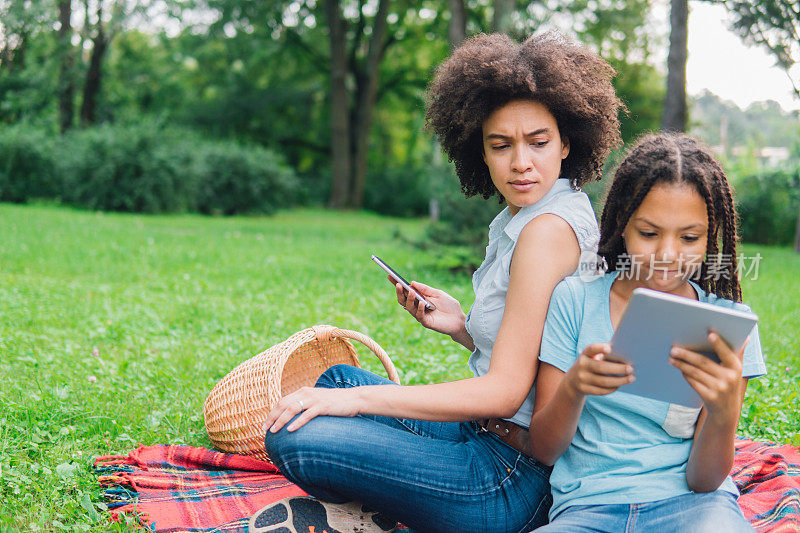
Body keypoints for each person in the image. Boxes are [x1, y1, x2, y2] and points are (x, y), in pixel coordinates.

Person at [254, 32, 623, 533]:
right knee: (334, 383)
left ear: (567, 143)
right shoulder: (536, 213)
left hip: (511, 478)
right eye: (501, 145)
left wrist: (358, 403)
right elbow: (538, 350)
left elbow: (505, 393)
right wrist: (461, 327)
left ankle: (370, 511)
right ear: (480, 152)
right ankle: (383, 500)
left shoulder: (546, 232)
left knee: (298, 434)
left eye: (538, 142)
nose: (521, 162)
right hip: (486, 435)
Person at [528, 133, 767, 533]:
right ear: (622, 225)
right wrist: (574, 389)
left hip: (694, 508)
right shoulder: (575, 299)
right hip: (589, 509)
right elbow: (545, 449)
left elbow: (703, 480)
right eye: (649, 233)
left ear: (711, 237)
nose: (668, 254)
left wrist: (724, 414)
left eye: (689, 238)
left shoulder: (728, 325)